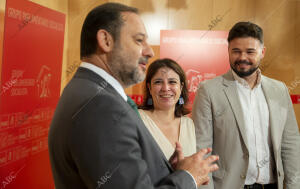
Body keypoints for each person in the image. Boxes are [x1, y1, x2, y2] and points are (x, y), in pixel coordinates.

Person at [48, 3, 219, 189]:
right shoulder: (101, 105)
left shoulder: (88, 89)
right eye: (139, 40)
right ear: (106, 40)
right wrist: (188, 177)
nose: (150, 51)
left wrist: (167, 170)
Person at [192, 21, 300, 189]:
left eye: (250, 51)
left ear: (262, 52)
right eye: (236, 51)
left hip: (272, 185)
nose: (242, 57)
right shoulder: (208, 91)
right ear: (228, 51)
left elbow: (290, 143)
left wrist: (294, 186)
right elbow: (202, 150)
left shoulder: (279, 90)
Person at [139, 58, 196, 161]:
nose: (165, 88)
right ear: (149, 87)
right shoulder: (137, 119)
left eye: (172, 82)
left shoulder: (190, 125)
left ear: (181, 87)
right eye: (158, 82)